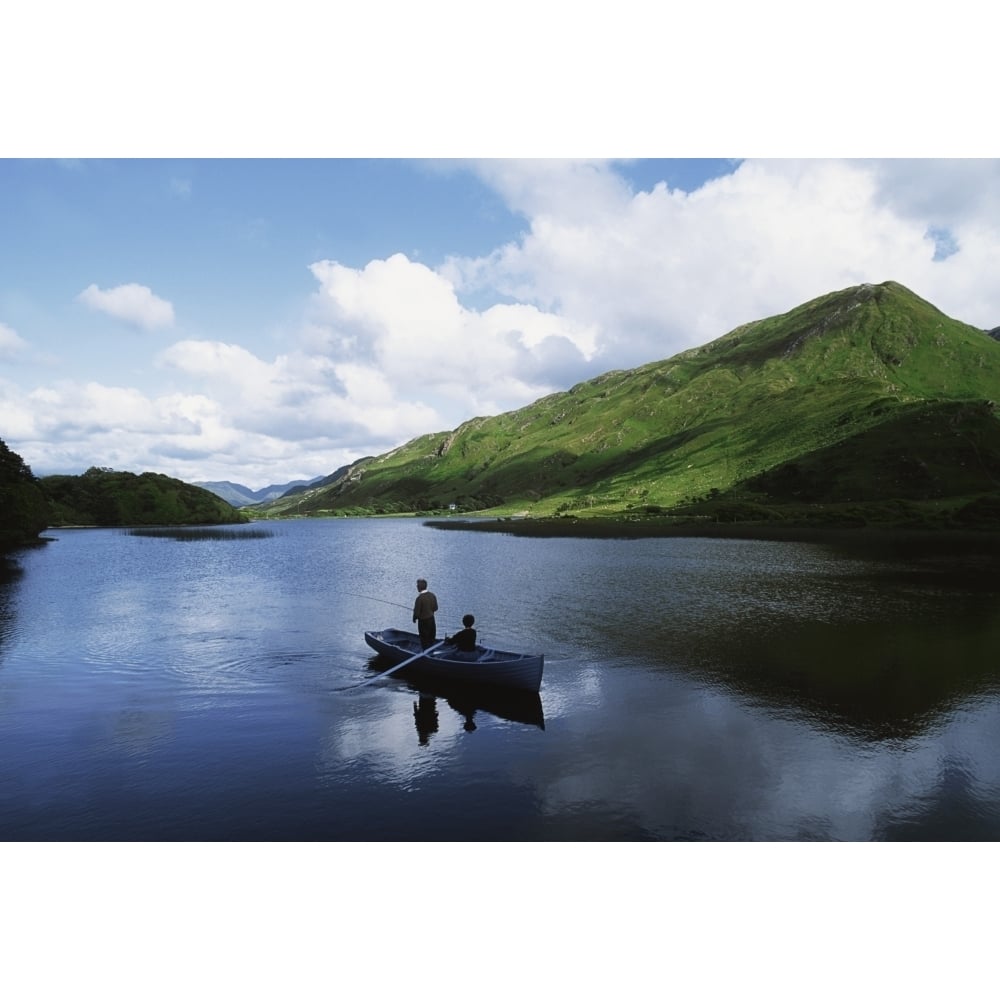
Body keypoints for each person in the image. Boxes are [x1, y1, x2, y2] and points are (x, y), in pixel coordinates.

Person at [412, 578, 438, 649]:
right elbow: (435, 608)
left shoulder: (419, 598)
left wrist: (414, 618)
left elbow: (417, 613)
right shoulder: (432, 595)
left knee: (424, 640)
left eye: (417, 585)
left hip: (423, 622)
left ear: (420, 587)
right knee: (431, 638)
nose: (416, 587)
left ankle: (425, 654)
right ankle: (431, 652)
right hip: (432, 620)